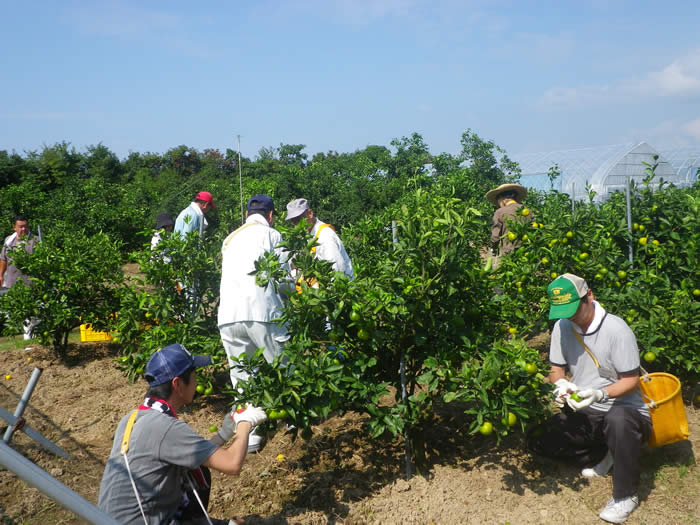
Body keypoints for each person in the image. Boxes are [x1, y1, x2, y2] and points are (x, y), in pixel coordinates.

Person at [529, 274, 651, 524]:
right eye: (564, 311)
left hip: (625, 411)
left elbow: (631, 380)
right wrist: (562, 385)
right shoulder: (562, 327)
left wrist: (600, 393)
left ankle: (625, 495)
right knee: (539, 441)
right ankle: (607, 452)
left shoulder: (616, 329)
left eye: (574, 309)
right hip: (589, 410)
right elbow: (556, 370)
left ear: (589, 296)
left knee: (618, 421)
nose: (570, 316)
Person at [98, 343, 266, 525]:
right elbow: (232, 464)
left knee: (198, 468)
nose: (196, 383)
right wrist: (245, 424)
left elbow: (192, 456)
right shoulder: (165, 427)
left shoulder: (134, 418)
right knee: (199, 472)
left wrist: (224, 434)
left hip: (114, 520)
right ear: (177, 384)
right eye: (193, 377)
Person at [217, 195, 291, 453]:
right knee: (284, 365)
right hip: (262, 312)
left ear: (247, 214)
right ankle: (294, 419)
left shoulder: (230, 239)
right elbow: (284, 277)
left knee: (242, 379)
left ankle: (250, 438)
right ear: (270, 215)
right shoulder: (272, 235)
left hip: (227, 316)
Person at [285, 198, 354, 280]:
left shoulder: (325, 235)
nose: (297, 225)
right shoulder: (306, 235)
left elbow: (337, 269)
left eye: (299, 219)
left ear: (310, 213)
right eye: (294, 221)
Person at [0, 216, 40, 341]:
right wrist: (0, 275)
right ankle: (28, 338)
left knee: (33, 312)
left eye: (25, 226)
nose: (24, 229)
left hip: (31, 283)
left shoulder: (35, 240)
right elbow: (3, 259)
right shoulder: (9, 241)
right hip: (13, 283)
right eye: (21, 226)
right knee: (19, 311)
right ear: (15, 227)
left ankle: (31, 339)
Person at [485, 183, 529, 256]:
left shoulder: (500, 212)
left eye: (498, 201)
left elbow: (495, 236)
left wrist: (493, 248)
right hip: (526, 250)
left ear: (503, 198)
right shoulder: (526, 210)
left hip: (509, 251)